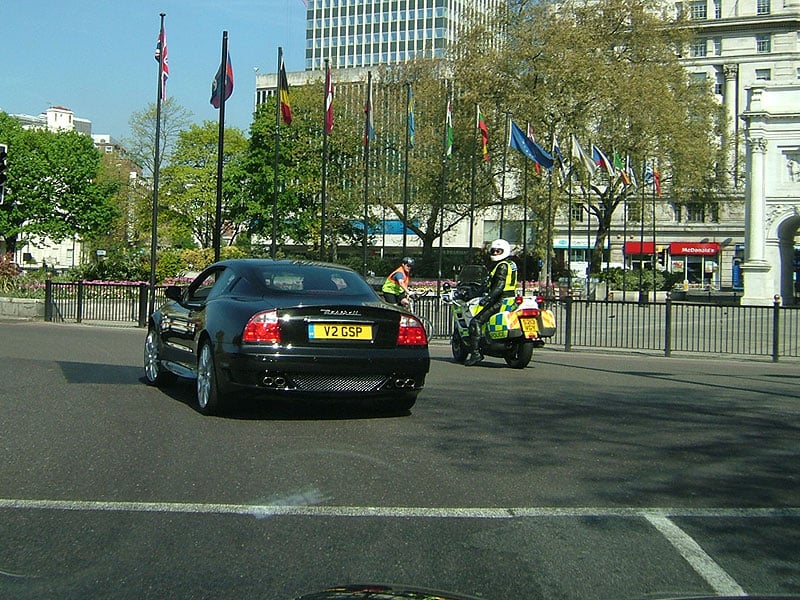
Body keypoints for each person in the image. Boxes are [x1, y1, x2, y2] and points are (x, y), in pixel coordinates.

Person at [465, 239, 518, 366]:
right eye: (493, 251)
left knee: (476, 321)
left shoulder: (502, 266)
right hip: (511, 299)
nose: (495, 253)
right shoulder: (511, 264)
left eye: (498, 251)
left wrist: (488, 298)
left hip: (500, 299)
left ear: (505, 251)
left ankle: (476, 353)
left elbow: (499, 286)